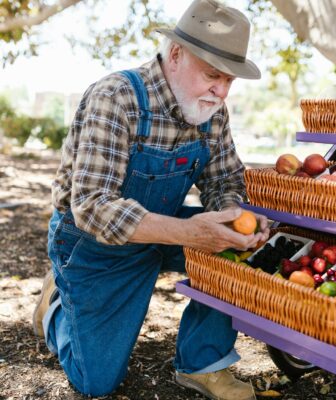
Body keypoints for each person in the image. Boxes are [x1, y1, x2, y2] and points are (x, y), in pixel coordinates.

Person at [33, 0, 269, 398]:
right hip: (94, 244)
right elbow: (91, 206)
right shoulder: (116, 97)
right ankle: (55, 306)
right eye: (213, 74)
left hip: (170, 228)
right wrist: (188, 232)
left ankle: (203, 363)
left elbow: (225, 178)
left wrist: (231, 219)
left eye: (230, 80)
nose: (222, 90)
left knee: (234, 254)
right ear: (175, 54)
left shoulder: (213, 110)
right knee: (96, 383)